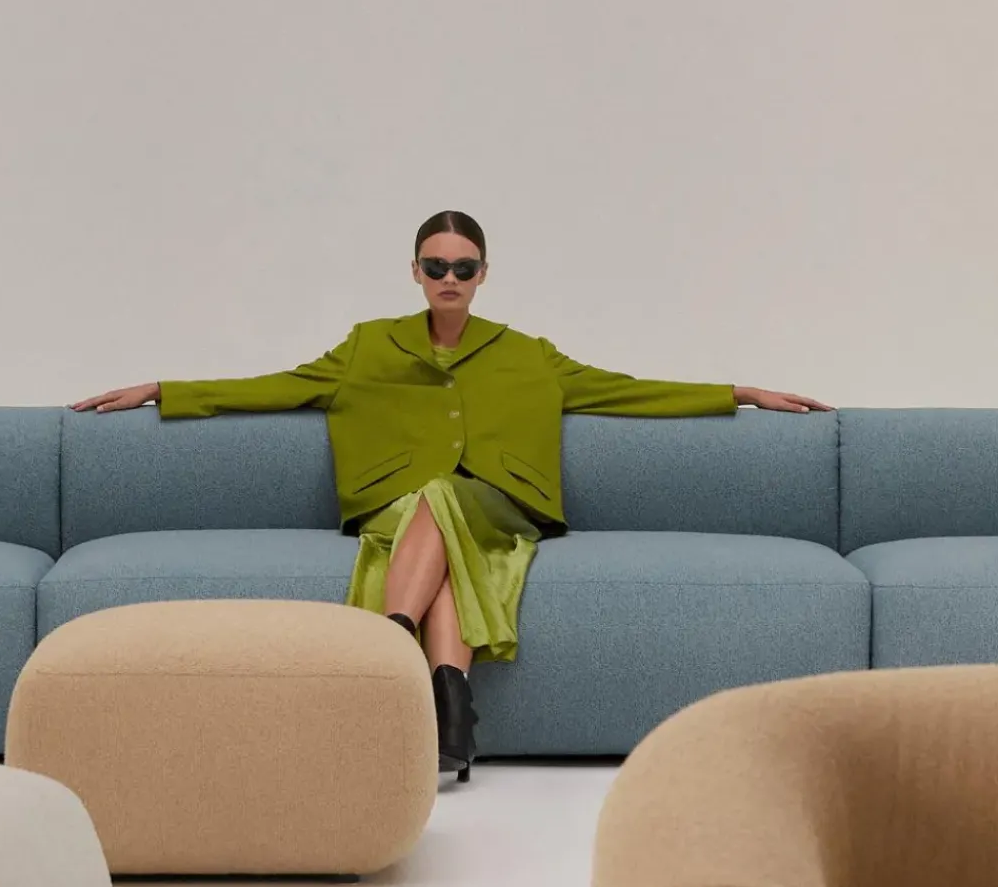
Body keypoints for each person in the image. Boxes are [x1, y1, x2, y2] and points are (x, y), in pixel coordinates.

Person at [72, 210, 834, 783]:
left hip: (502, 503)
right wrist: (165, 390)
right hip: (398, 504)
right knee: (439, 518)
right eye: (436, 265)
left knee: (444, 501)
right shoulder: (369, 344)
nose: (449, 277)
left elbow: (628, 390)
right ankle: (451, 707)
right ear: (414, 271)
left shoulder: (527, 354)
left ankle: (386, 646)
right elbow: (277, 386)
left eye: (463, 267)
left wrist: (738, 393)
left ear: (482, 274)